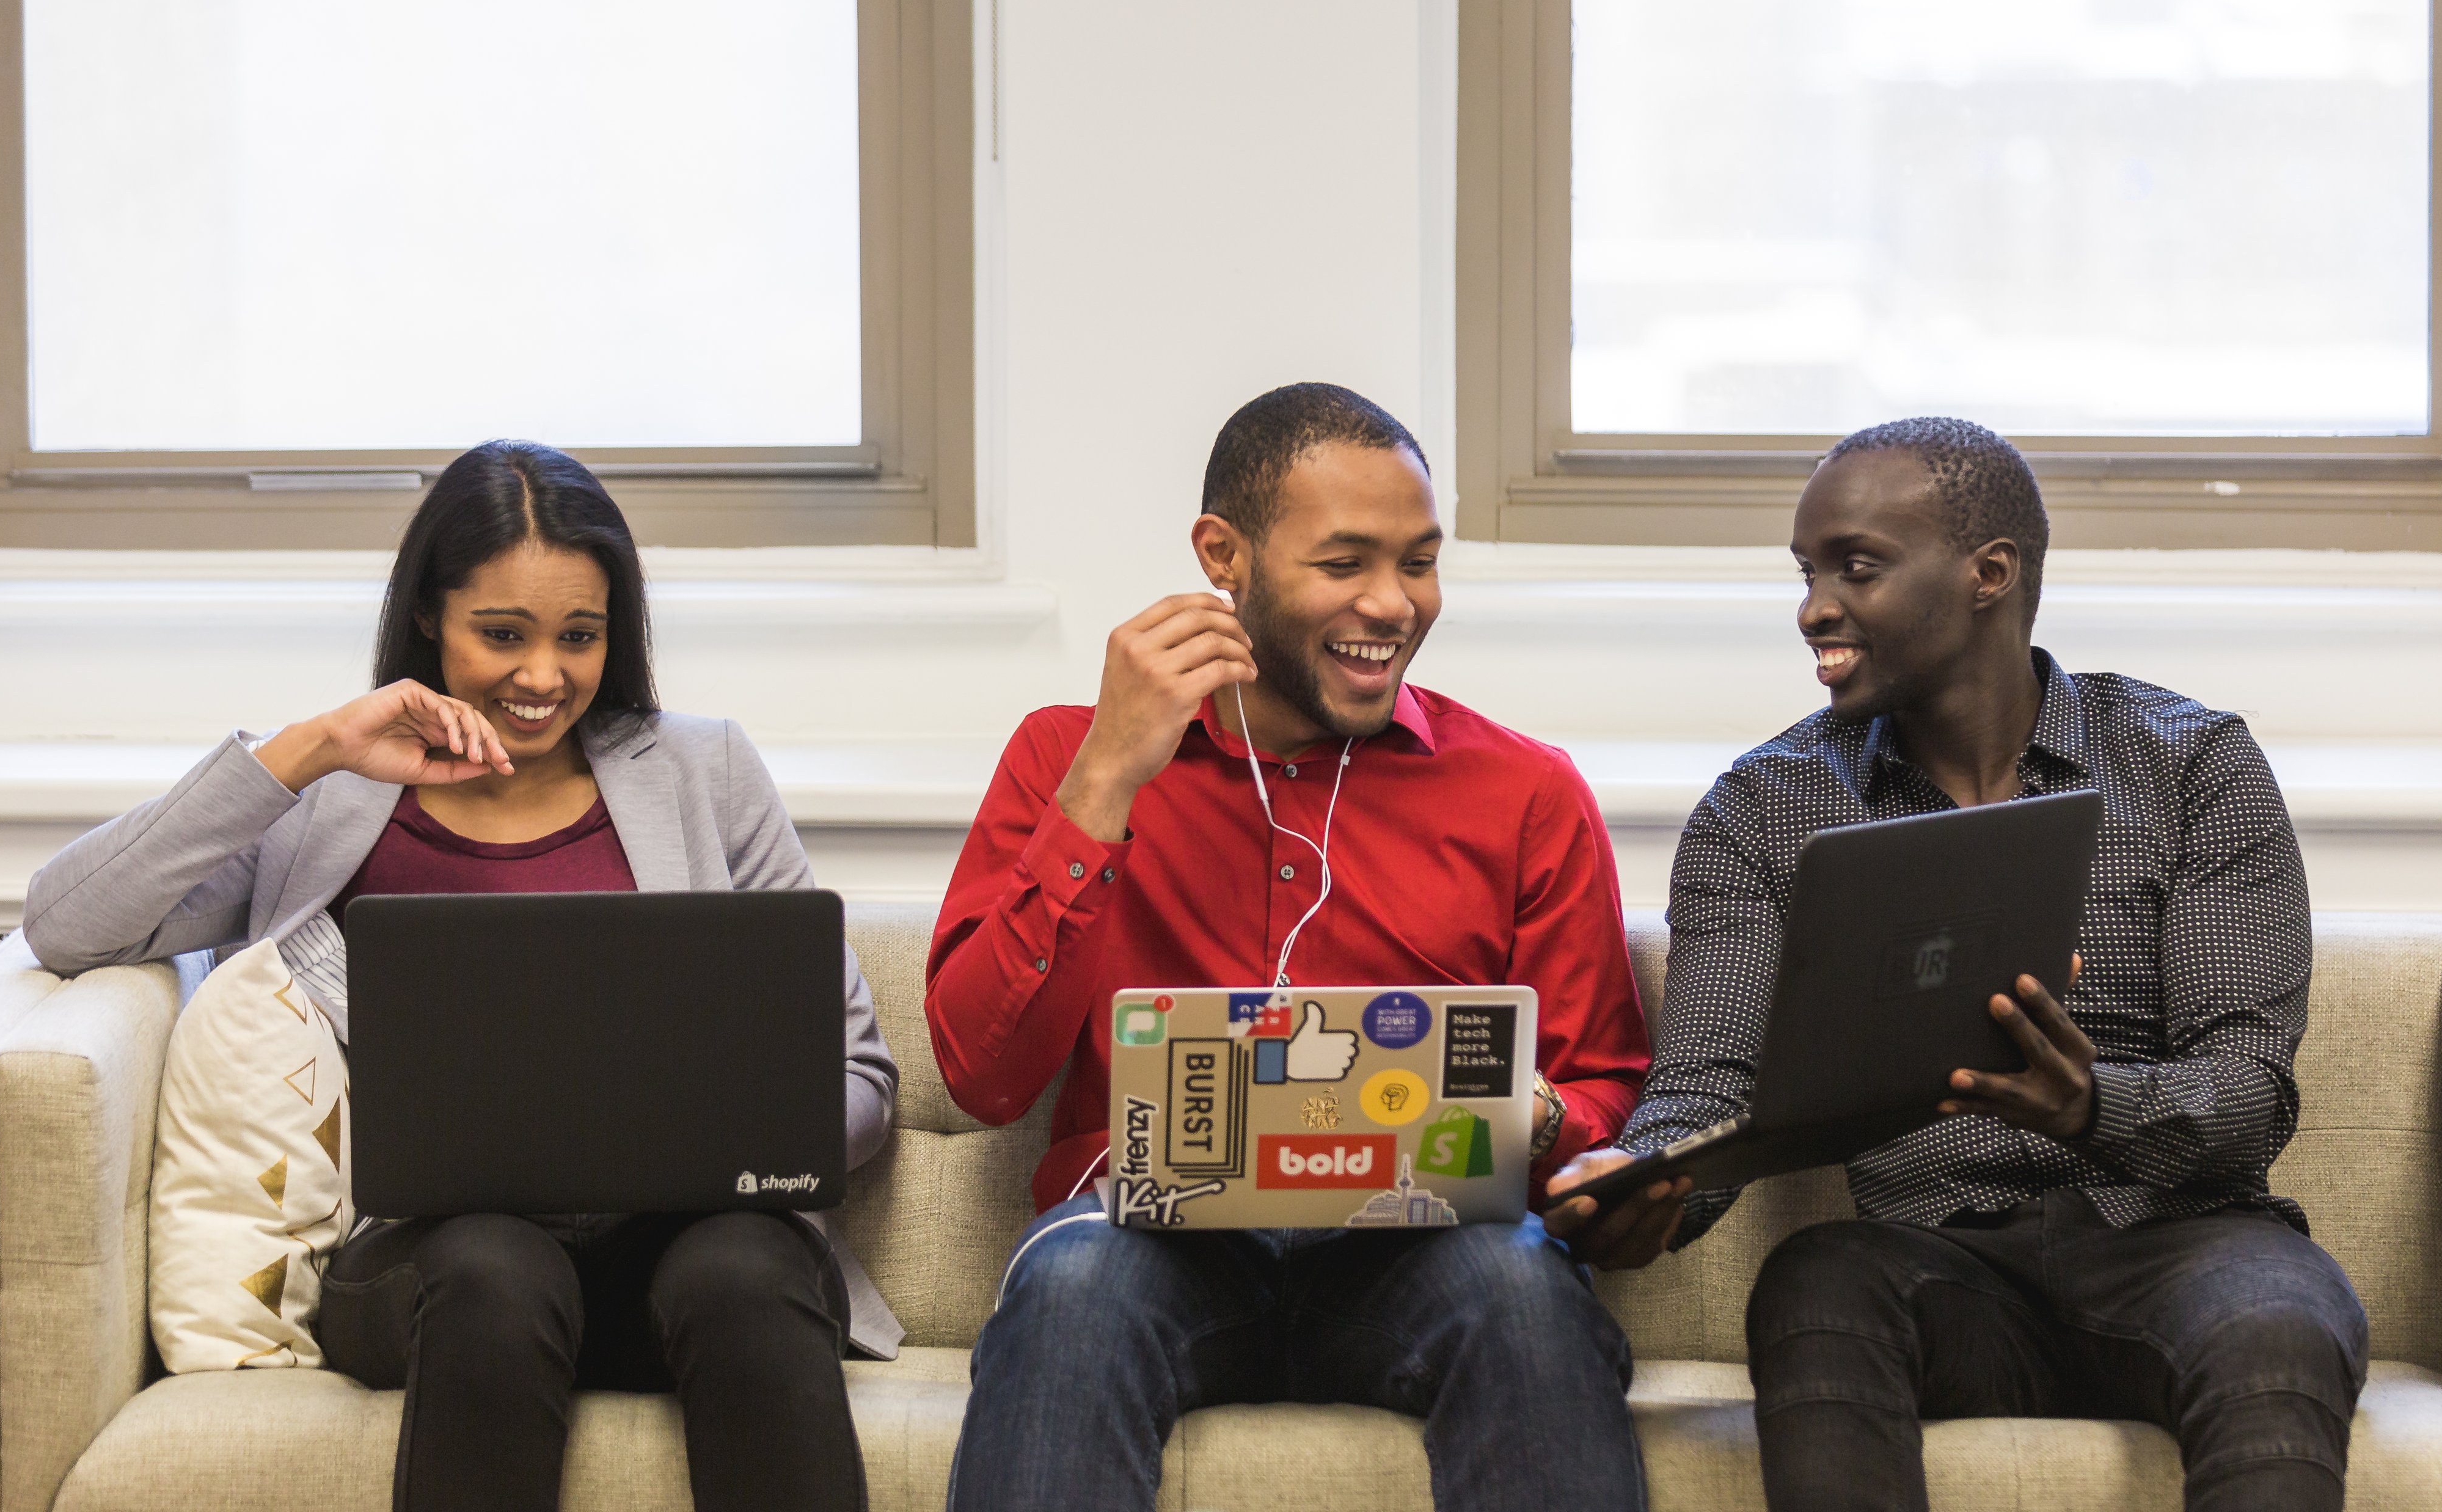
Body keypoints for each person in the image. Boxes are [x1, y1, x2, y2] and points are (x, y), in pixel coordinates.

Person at [21, 440, 895, 1512]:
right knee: (496, 1264)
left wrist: (741, 1148)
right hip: (443, 1275)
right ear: (431, 616)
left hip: (686, 1256)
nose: (544, 676)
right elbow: (67, 924)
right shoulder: (327, 800)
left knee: (747, 1270)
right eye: (502, 634)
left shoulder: (705, 771)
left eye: (580, 635)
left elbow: (856, 1072)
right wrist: (309, 749)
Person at [1548, 417, 2368, 1512]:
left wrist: (2092, 1105)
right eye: (1806, 572)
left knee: (2277, 1329)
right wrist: (1648, 1185)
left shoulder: (2190, 763)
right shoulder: (1765, 807)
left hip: (2181, 1246)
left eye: (1857, 568)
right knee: (1816, 1283)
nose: (1814, 608)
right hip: (1936, 1264)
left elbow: (2250, 1094)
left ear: (1989, 574)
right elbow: (1710, 1089)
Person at [929, 382, 1654, 1512]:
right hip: (1142, 1240)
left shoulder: (1523, 790)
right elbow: (982, 1074)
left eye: (1418, 561)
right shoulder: (1066, 758)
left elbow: (1604, 1076)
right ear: (1225, 555)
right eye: (1345, 562)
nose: (1394, 603)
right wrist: (1109, 780)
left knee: (1523, 1289)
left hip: (1424, 1249)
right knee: (1070, 1284)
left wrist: (1546, 1114)